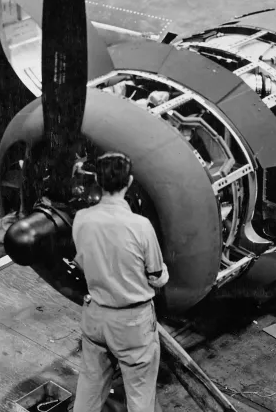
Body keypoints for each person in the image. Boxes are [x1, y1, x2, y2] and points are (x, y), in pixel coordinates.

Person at [71, 151, 168, 412]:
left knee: (89, 389)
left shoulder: (81, 220)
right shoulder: (140, 226)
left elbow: (81, 262)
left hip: (95, 317)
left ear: (98, 182)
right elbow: (157, 278)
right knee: (139, 395)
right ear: (129, 181)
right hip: (132, 325)